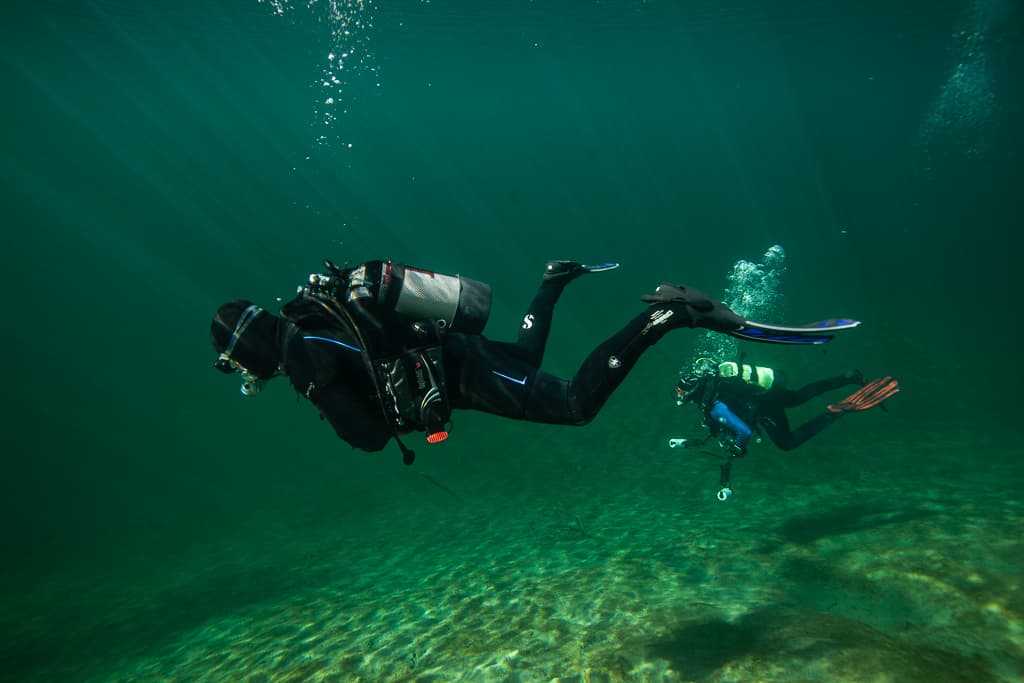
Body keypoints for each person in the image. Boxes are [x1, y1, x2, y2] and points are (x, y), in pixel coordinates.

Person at [211, 259, 859, 464]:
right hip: (450, 356)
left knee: (575, 405)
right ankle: (553, 281)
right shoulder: (308, 314)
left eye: (236, 363)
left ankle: (668, 315)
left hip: (457, 374)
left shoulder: (303, 360)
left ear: (247, 348)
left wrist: (331, 400)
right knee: (524, 355)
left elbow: (368, 437)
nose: (244, 374)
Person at [669, 358, 900, 499]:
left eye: (681, 392)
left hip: (765, 406)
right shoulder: (712, 385)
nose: (679, 395)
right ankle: (848, 377)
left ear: (692, 392)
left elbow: (745, 432)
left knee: (787, 443)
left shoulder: (714, 407)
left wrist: (738, 447)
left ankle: (833, 414)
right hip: (766, 392)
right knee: (798, 397)